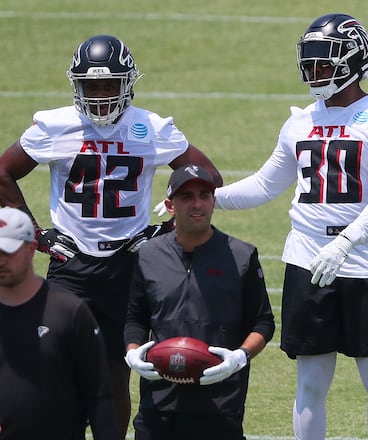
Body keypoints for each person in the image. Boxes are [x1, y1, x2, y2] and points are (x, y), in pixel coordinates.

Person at [0, 34, 223, 432]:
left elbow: (206, 179)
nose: (101, 95)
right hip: (71, 264)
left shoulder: (150, 128)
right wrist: (37, 235)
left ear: (128, 84)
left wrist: (167, 231)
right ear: (76, 86)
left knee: (115, 375)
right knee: (52, 368)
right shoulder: (56, 125)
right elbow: (2, 172)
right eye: (91, 86)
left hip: (130, 266)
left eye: (110, 85)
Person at [210, 13, 368, 439]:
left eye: (326, 62)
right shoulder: (300, 121)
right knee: (310, 382)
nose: (315, 71)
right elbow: (266, 185)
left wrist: (345, 243)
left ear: (355, 61)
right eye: (312, 61)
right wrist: (206, 200)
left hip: (362, 259)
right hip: (305, 257)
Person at [124, 164, 275, 440]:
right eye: (187, 197)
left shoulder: (242, 255)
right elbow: (136, 318)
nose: (197, 203)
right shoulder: (148, 255)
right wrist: (133, 352)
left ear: (214, 201)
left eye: (204, 195)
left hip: (220, 403)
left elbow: (263, 323)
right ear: (170, 205)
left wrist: (239, 358)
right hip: (158, 401)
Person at [0, 206, 120, 440]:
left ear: (31, 248)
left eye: (8, 252)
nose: (1, 261)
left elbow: (99, 395)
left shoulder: (69, 311)